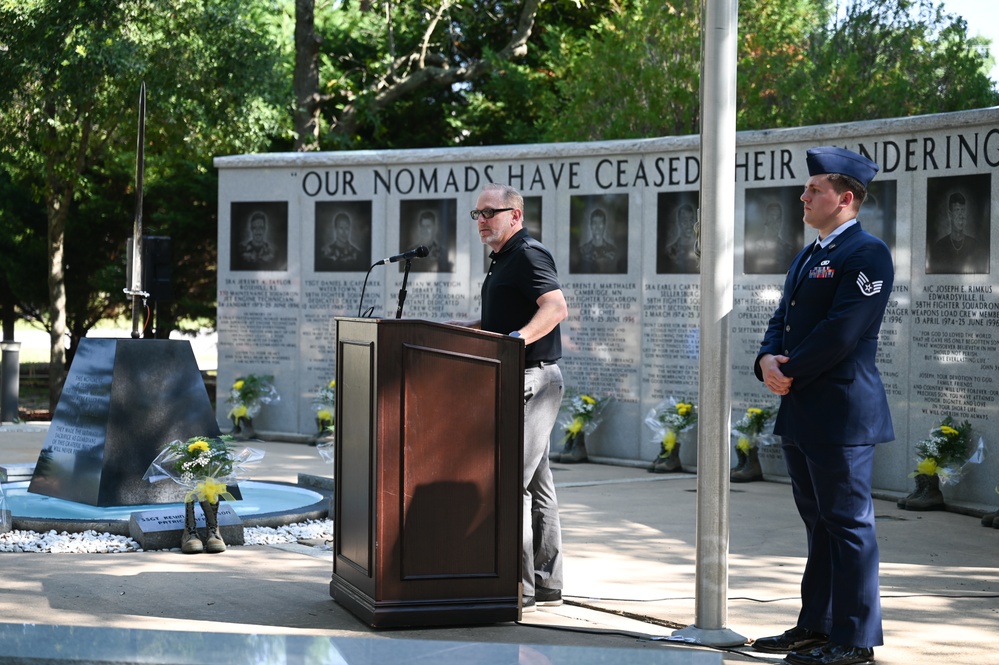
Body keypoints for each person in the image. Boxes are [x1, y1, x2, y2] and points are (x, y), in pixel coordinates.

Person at [752, 147, 894, 665]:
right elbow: (782, 319)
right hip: (803, 408)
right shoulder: (810, 253)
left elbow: (843, 331)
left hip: (841, 412)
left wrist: (785, 370)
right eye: (807, 188)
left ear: (846, 198)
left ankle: (855, 639)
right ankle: (816, 625)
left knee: (849, 525)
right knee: (819, 523)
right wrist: (766, 358)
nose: (803, 195)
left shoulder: (866, 254)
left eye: (815, 189)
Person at [449, 183, 568, 614]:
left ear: (514, 216)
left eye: (489, 213)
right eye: (476, 214)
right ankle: (547, 583)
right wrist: (474, 325)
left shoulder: (528, 254)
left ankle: (519, 589)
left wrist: (516, 341)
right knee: (539, 483)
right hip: (520, 376)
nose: (481, 220)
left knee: (508, 482)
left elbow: (554, 308)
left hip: (533, 380)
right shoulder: (503, 259)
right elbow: (509, 315)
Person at [926, 191, 988, 274]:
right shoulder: (939, 247)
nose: (961, 215)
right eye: (957, 210)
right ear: (950, 215)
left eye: (962, 210)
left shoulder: (975, 245)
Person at [578, 207, 621, 273]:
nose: (597, 227)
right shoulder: (582, 251)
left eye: (600, 223)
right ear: (590, 225)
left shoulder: (613, 251)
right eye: (594, 223)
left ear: (604, 225)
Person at [661, 203, 700, 273]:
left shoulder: (700, 249)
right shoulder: (670, 251)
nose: (688, 225)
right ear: (679, 222)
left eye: (691, 220)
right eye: (685, 221)